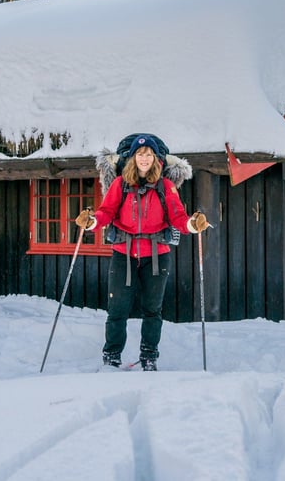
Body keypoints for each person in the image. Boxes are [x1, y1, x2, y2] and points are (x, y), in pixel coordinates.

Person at [75, 134, 209, 371]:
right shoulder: (120, 185)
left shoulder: (166, 187)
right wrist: (92, 221)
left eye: (148, 154)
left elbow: (178, 216)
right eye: (140, 154)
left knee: (152, 310)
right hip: (123, 253)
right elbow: (106, 211)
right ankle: (111, 357)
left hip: (157, 254)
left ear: (156, 159)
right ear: (132, 158)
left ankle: (149, 357)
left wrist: (191, 224)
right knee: (117, 309)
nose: (144, 158)